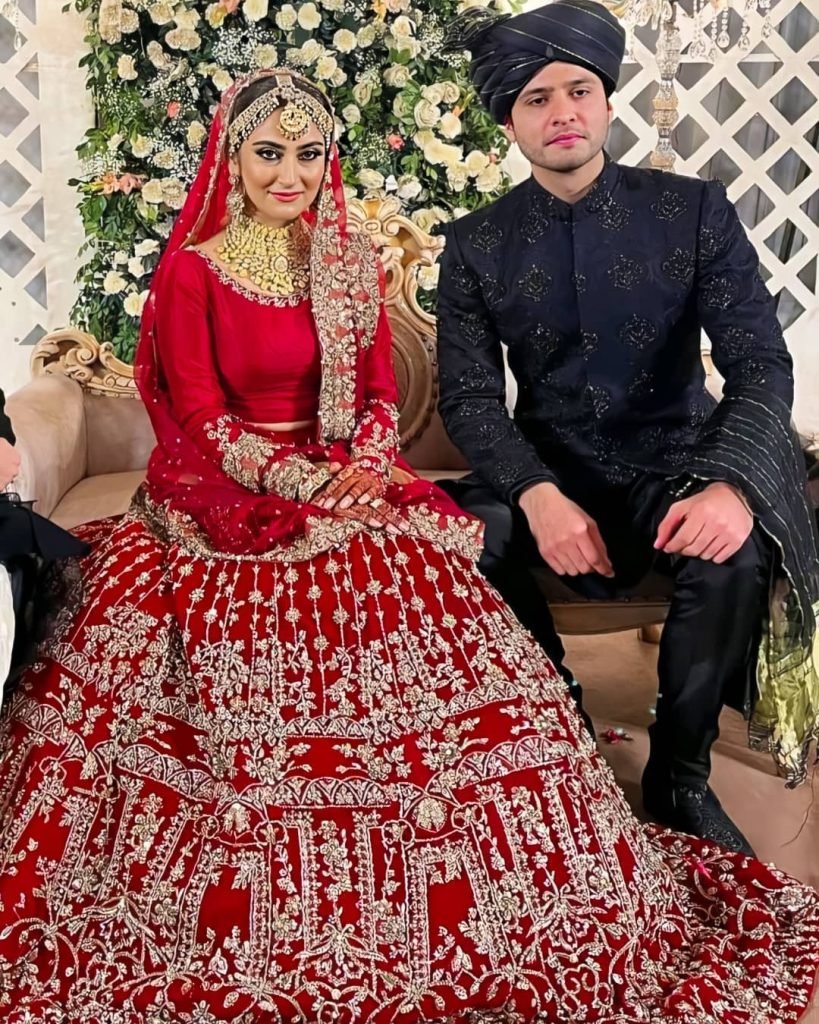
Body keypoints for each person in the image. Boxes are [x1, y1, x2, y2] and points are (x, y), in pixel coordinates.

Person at [0, 69, 817, 1024]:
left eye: (310, 153)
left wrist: (365, 459)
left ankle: (597, 810)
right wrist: (306, 482)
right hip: (233, 496)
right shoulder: (195, 269)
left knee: (452, 597)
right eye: (269, 153)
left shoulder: (347, 258)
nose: (291, 174)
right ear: (232, 158)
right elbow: (202, 417)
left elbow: (380, 396)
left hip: (355, 486)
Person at [436, 0, 819, 857]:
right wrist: (535, 495)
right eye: (535, 99)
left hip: (674, 466)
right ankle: (561, 732)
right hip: (549, 471)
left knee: (733, 549)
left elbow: (759, 364)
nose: (561, 112)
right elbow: (468, 398)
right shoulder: (476, 244)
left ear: (608, 101)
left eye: (578, 90)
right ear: (508, 122)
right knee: (453, 537)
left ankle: (679, 776)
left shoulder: (693, 211)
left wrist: (728, 486)